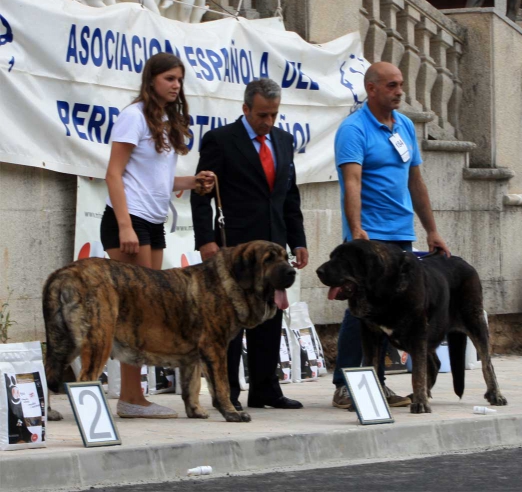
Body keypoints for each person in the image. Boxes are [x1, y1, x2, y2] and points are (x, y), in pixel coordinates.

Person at [100, 52, 214, 418]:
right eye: (169, 79)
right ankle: (131, 398)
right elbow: (114, 174)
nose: (176, 85)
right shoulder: (133, 116)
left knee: (147, 311)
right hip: (129, 220)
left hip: (152, 220)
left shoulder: (165, 119)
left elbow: (160, 181)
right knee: (133, 312)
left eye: (179, 79)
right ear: (151, 80)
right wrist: (124, 226)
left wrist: (192, 182)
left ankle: (136, 395)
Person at [332, 61, 451, 410]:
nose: (399, 91)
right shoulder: (353, 129)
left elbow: (416, 181)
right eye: (391, 86)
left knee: (390, 310)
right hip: (370, 238)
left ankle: (376, 383)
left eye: (400, 85)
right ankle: (345, 384)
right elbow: (351, 182)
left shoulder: (405, 127)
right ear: (371, 89)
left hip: (399, 234)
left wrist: (431, 229)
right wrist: (357, 232)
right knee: (360, 309)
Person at [191, 78, 309, 410]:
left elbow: (290, 197)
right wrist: (206, 241)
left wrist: (297, 241)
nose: (268, 122)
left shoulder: (284, 141)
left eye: (273, 115)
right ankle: (226, 392)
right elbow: (202, 195)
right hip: (235, 250)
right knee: (230, 319)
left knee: (270, 313)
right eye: (261, 115)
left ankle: (266, 388)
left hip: (274, 248)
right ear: (245, 109)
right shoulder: (221, 140)